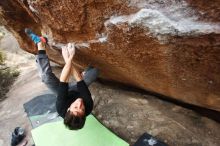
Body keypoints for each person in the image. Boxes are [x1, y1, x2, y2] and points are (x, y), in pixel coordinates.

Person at [25, 29, 99, 130]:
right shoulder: (88, 106)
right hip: (78, 90)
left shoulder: (61, 107)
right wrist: (70, 58)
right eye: (82, 109)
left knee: (45, 77)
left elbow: (63, 80)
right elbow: (79, 81)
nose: (80, 104)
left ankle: (40, 43)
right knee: (94, 72)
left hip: (65, 92)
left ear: (68, 109)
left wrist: (67, 58)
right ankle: (85, 72)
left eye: (76, 107)